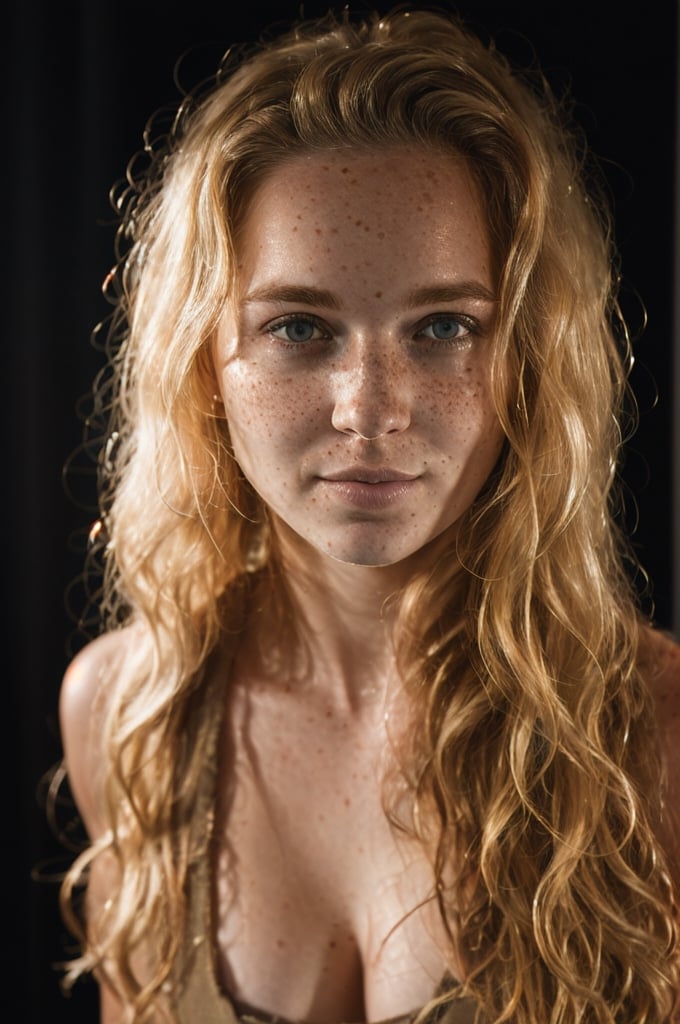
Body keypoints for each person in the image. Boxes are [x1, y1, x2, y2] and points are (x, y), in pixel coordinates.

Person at [57, 5, 680, 1023]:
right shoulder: (128, 717)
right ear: (202, 364)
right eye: (299, 326)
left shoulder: (641, 732)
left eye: (442, 326)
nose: (371, 408)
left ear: (523, 357)